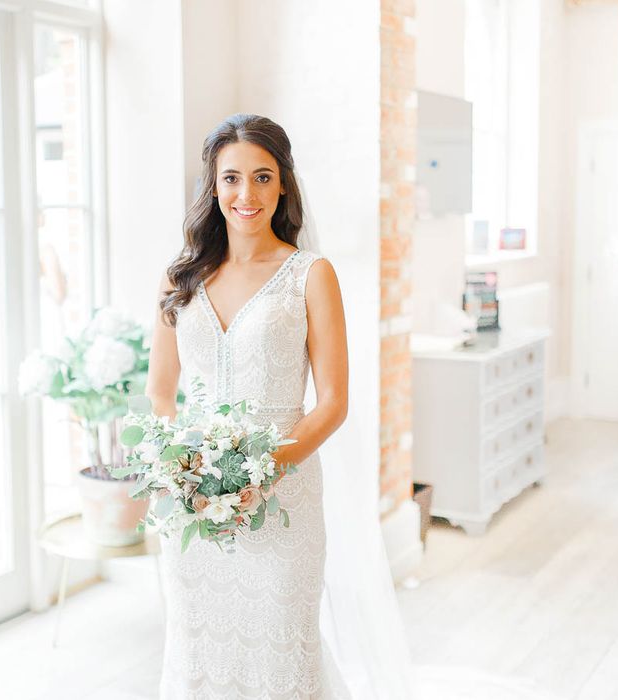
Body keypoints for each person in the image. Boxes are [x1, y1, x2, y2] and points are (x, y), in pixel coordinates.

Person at [144, 114, 562, 699]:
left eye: (263, 178)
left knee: (280, 653)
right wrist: (188, 474)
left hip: (281, 500)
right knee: (197, 654)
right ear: (213, 186)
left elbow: (334, 403)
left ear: (284, 184)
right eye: (232, 178)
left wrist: (256, 478)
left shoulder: (309, 275)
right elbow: (161, 393)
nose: (247, 194)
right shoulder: (179, 278)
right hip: (193, 510)